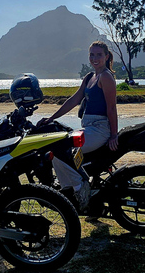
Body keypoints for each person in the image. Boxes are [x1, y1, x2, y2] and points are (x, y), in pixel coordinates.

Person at [37, 41, 119, 209]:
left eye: (98, 55)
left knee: (63, 150)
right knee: (56, 147)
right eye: (92, 55)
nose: (94, 58)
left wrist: (114, 135)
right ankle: (70, 190)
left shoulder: (106, 77)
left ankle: (81, 187)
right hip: (88, 127)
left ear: (106, 56)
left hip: (100, 129)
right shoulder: (90, 77)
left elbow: (111, 108)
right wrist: (51, 118)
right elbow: (74, 100)